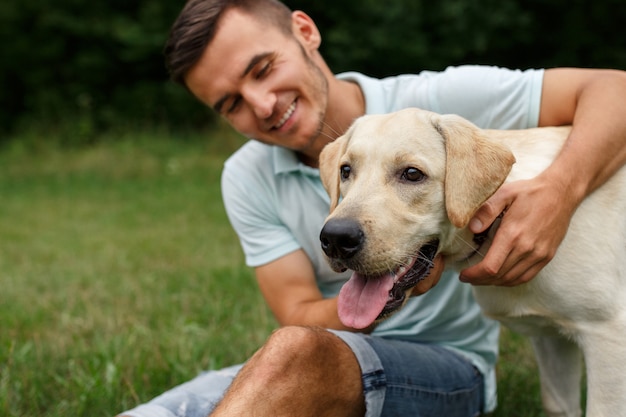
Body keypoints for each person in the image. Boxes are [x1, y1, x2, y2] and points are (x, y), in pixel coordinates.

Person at [118, 0, 626, 416]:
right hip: (326, 351)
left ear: (305, 30)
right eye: (230, 103)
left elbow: (615, 89)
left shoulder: (443, 104)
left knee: (293, 358)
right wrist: (392, 296)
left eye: (264, 68)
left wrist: (559, 192)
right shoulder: (246, 176)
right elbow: (297, 317)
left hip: (443, 368)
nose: (262, 103)